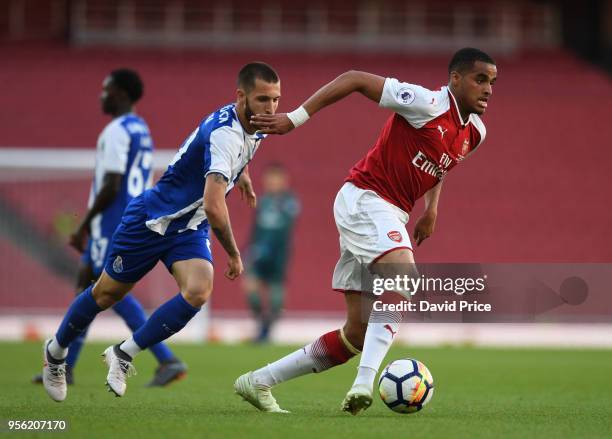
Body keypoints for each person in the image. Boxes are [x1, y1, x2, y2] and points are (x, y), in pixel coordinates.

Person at [235, 48, 497, 414]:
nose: (488, 89)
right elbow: (355, 78)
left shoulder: (476, 132)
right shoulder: (425, 102)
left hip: (391, 213)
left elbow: (442, 162)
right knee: (404, 278)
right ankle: (363, 383)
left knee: (356, 333)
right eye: (480, 79)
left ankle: (258, 381)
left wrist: (431, 207)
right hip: (366, 198)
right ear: (455, 79)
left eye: (492, 82)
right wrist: (295, 118)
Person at [40, 62, 281, 402]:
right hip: (152, 219)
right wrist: (234, 253)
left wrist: (242, 175)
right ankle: (55, 352)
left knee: (198, 290)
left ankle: (123, 354)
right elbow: (214, 206)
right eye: (262, 100)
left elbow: (238, 153)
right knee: (106, 294)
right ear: (240, 97)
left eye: (275, 100)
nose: (271, 108)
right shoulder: (224, 133)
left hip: (188, 227)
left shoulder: (257, 125)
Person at [34, 68, 187, 388]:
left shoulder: (116, 130)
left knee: (109, 290)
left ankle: (167, 358)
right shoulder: (140, 128)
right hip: (132, 212)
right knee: (85, 285)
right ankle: (68, 364)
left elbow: (112, 183)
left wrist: (85, 224)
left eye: (106, 90)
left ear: (120, 93)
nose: (102, 95)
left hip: (114, 218)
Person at [243, 163, 300, 342]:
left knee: (276, 295)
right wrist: (249, 248)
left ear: (283, 181)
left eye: (276, 180)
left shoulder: (290, 202)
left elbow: (285, 230)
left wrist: (269, 248)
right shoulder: (263, 201)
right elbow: (256, 229)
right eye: (269, 180)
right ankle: (262, 323)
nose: (272, 183)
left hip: (278, 255)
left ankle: (267, 329)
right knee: (250, 289)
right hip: (258, 253)